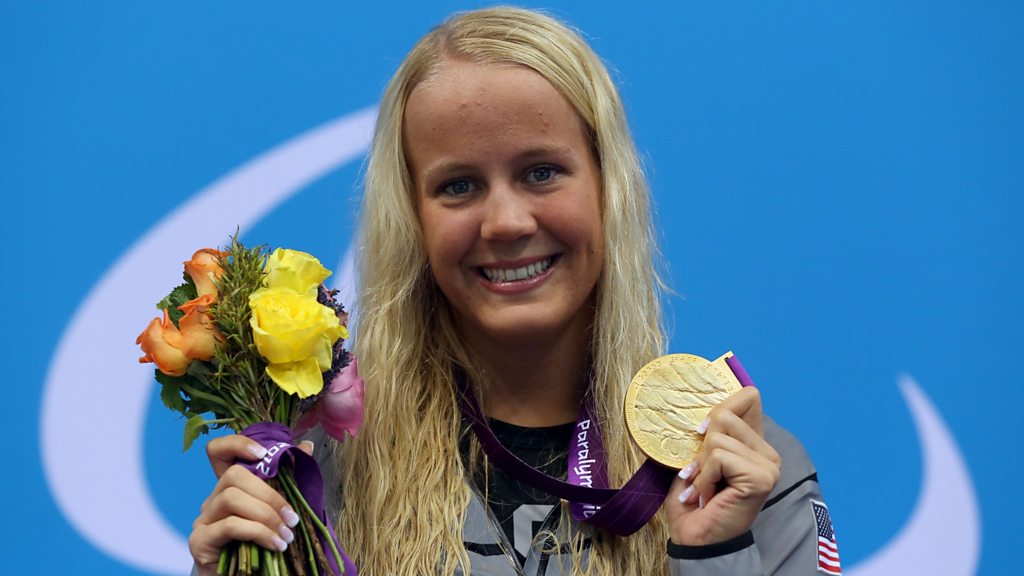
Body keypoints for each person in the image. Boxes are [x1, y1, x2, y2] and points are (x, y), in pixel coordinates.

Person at [189, 7, 835, 575]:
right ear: (411, 218)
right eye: (458, 186)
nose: (505, 222)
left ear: (608, 186)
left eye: (542, 172)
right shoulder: (319, 474)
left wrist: (716, 555)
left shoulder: (739, 474)